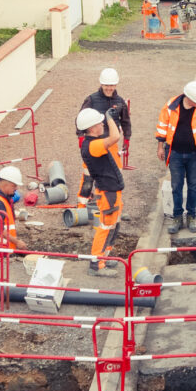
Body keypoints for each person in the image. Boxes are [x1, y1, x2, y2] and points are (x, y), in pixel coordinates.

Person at [154, 80, 196, 235]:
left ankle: (191, 216)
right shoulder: (171, 106)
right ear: (188, 98)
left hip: (195, 155)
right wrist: (160, 146)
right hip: (175, 153)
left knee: (193, 186)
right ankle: (177, 217)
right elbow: (162, 126)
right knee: (176, 186)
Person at [76, 108, 124, 274]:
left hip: (111, 191)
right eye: (99, 122)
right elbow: (115, 137)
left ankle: (105, 256)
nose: (102, 124)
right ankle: (96, 263)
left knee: (113, 225)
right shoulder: (93, 145)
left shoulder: (92, 143)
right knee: (105, 226)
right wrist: (110, 117)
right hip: (108, 192)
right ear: (91, 128)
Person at [82, 68, 133, 168]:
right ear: (101, 84)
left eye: (112, 85)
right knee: (91, 172)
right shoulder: (91, 99)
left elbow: (125, 121)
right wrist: (80, 136)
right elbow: (81, 117)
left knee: (116, 172)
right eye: (106, 85)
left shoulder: (120, 101)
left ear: (116, 84)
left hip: (112, 142)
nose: (109, 88)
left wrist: (127, 138)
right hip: (94, 142)